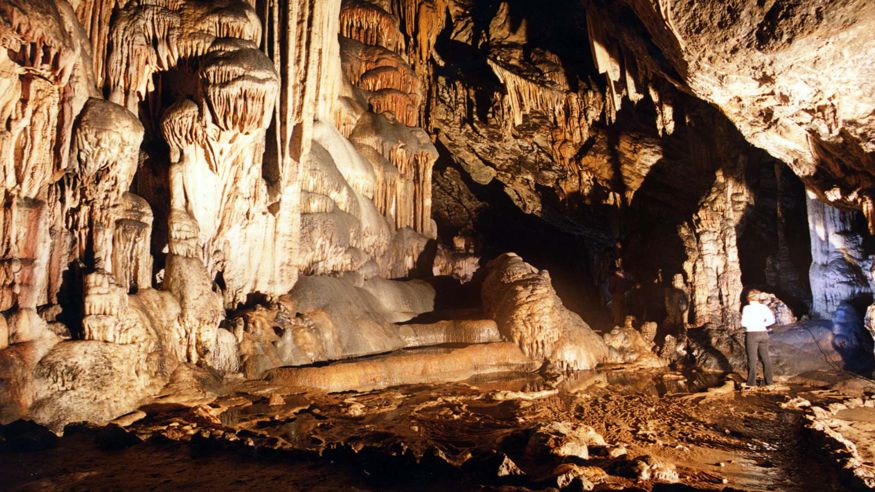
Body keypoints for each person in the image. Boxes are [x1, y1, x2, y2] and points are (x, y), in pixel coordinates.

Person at [741, 290, 775, 387]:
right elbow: (772, 320)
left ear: (749, 298)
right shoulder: (763, 307)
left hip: (752, 334)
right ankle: (769, 382)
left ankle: (751, 383)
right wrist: (762, 325)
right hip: (764, 333)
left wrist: (752, 324)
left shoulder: (747, 308)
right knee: (766, 358)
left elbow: (744, 323)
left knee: (752, 359)